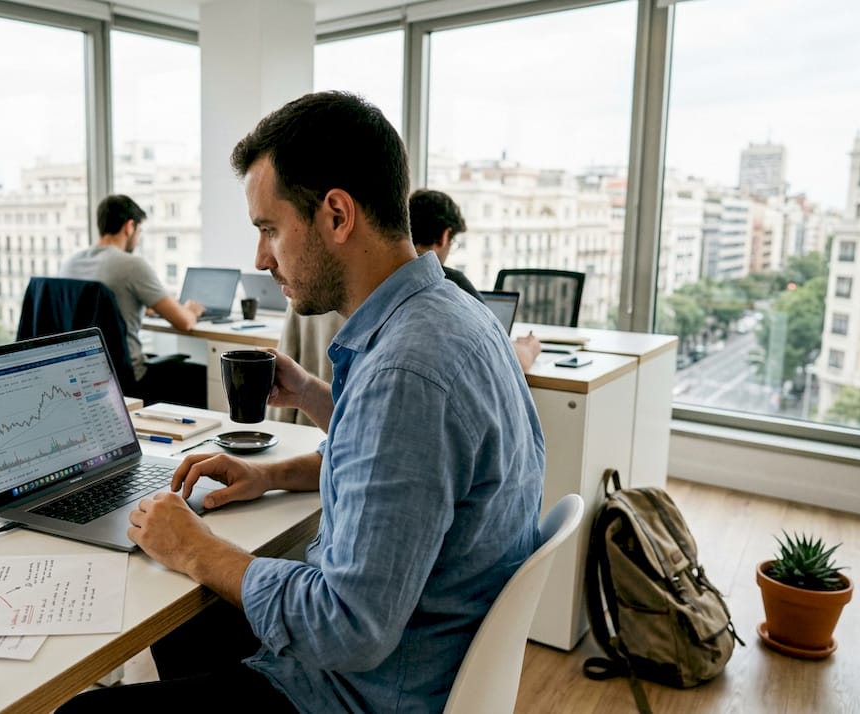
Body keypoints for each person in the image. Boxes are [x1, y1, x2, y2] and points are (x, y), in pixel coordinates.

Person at [56, 92, 545, 714]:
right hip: (421, 655)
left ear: (337, 215)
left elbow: (347, 625)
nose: (262, 258)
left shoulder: (405, 371)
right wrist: (286, 447)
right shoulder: (456, 315)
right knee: (179, 619)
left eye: (269, 229)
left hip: (354, 690)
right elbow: (415, 472)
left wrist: (196, 548)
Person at [60, 194, 204, 394]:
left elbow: (99, 310)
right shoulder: (131, 266)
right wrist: (191, 310)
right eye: (139, 231)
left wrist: (144, 307)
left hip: (80, 378)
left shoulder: (70, 264)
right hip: (128, 379)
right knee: (202, 375)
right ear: (129, 227)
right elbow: (184, 322)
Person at [409, 188, 543, 372]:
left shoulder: (391, 278)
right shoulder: (449, 282)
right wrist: (529, 349)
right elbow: (504, 355)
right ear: (444, 236)